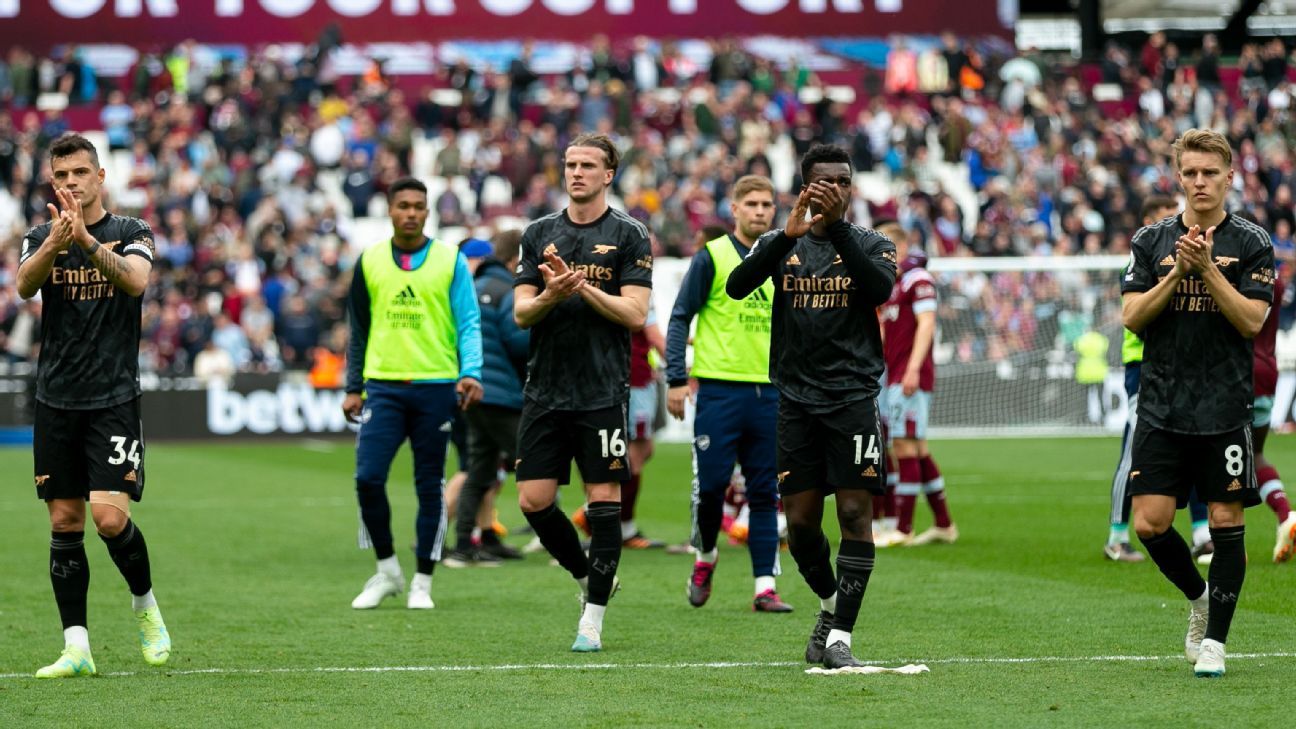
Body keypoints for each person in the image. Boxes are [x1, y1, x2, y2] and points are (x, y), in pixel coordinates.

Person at [727, 144, 897, 669]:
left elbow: (879, 290)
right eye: (826, 181)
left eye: (844, 181)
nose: (836, 189)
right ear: (805, 188)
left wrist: (838, 227)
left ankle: (841, 636)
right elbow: (736, 287)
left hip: (853, 399)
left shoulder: (873, 243)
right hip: (796, 401)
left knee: (854, 513)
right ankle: (828, 606)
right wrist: (785, 238)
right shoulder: (781, 242)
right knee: (800, 526)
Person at [1122, 129, 1274, 678]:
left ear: (1230, 177)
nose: (1200, 181)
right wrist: (1178, 274)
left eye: (1210, 172)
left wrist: (1208, 269)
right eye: (1191, 173)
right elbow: (1132, 317)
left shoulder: (1253, 242)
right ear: (1179, 178)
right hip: (1162, 403)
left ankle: (1215, 643)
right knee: (1150, 523)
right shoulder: (1151, 240)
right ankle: (1199, 598)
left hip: (1224, 404)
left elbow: (1252, 321)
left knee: (1226, 519)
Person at [17, 133, 169, 678]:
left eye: (80, 172)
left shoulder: (133, 232)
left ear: (100, 176)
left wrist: (84, 239)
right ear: (52, 181)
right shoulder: (40, 236)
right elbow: (24, 286)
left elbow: (135, 282)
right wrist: (58, 243)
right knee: (64, 520)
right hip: (56, 398)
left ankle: (145, 605)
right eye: (61, 175)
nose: (71, 183)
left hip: (113, 398)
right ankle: (76, 647)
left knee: (108, 519)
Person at [513, 133, 653, 653]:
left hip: (602, 391)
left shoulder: (630, 234)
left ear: (608, 174)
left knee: (603, 502)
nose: (576, 173)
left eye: (587, 165)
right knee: (533, 500)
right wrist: (551, 293)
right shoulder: (538, 233)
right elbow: (521, 313)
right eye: (570, 164)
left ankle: (592, 620)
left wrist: (584, 287)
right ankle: (587, 577)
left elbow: (635, 313)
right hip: (545, 389)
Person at [342, 177, 484, 610]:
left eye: (418, 206)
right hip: (382, 387)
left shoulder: (450, 260)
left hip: (435, 387)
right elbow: (358, 329)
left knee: (429, 486)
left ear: (428, 211)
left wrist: (471, 372)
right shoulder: (369, 261)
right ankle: (387, 570)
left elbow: (469, 322)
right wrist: (353, 386)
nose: (410, 213)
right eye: (402, 205)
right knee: (367, 478)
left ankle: (423, 581)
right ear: (389, 210)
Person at [665, 174, 793, 612]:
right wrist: (676, 378)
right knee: (712, 489)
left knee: (765, 493)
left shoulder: (786, 258)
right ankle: (705, 557)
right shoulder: (712, 256)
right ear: (734, 209)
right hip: (719, 392)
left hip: (771, 393)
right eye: (751, 204)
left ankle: (764, 588)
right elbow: (680, 316)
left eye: (766, 204)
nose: (760, 211)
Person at [444, 232, 530, 567]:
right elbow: (517, 341)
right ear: (515, 261)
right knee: (536, 460)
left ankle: (464, 545)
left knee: (478, 470)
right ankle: (555, 539)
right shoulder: (508, 290)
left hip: (471, 391)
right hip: (500, 393)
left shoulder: (470, 289)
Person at [1105, 196, 1179, 563]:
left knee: (1190, 446)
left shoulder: (1177, 260)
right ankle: (1116, 536)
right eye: (1165, 218)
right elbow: (1136, 318)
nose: (1174, 226)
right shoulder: (1137, 264)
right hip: (1142, 366)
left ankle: (1201, 533)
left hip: (1175, 366)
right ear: (1148, 221)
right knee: (1133, 449)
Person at [875, 220, 958, 548]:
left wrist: (911, 370)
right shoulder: (894, 285)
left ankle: (903, 528)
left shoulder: (917, 279)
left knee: (904, 447)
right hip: (894, 373)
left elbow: (927, 324)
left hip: (909, 375)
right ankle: (944, 524)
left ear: (899, 247)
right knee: (918, 449)